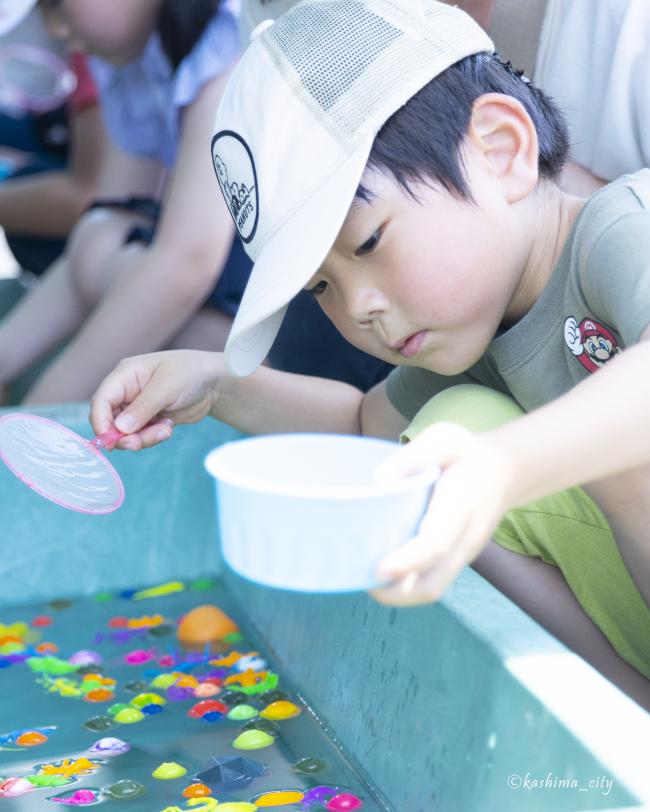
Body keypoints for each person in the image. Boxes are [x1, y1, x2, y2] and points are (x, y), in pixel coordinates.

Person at [90, 1, 650, 707]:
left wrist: (506, 464)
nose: (356, 307)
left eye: (370, 243)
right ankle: (625, 708)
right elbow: (364, 426)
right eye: (322, 284)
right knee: (439, 442)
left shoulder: (621, 228)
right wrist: (219, 387)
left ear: (501, 150)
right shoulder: (480, 332)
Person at [0, 0, 249, 404]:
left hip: (275, 323)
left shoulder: (228, 52)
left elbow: (186, 264)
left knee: (184, 322)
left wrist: (36, 417)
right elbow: (116, 208)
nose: (57, 29)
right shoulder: (139, 57)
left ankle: (35, 423)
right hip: (212, 284)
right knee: (102, 232)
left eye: (57, 5)